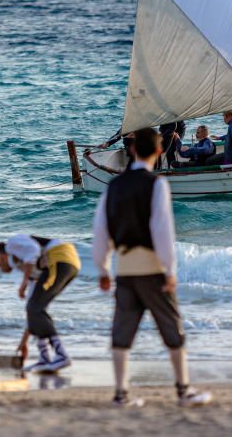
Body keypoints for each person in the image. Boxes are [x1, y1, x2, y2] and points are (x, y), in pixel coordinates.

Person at [92, 127, 213, 408]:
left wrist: (102, 268)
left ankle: (121, 394)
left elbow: (101, 229)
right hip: (152, 268)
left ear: (132, 149)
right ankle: (183, 391)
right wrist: (170, 269)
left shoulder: (113, 186)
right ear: (159, 152)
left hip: (124, 270)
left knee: (122, 332)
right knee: (172, 328)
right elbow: (162, 230)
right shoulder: (157, 184)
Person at [0, 234, 81, 372]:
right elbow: (31, 311)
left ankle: (62, 356)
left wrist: (24, 282)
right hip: (65, 262)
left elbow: (32, 249)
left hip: (59, 257)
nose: (0, 267)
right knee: (34, 308)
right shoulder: (33, 271)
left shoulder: (11, 244)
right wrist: (24, 342)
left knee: (35, 308)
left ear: (0, 256)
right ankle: (44, 358)